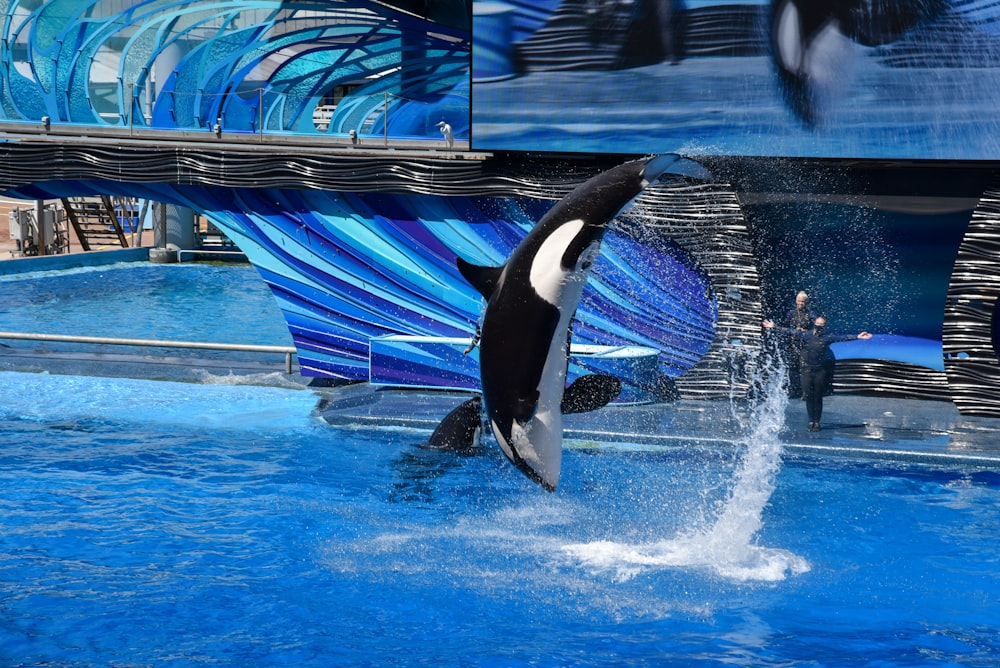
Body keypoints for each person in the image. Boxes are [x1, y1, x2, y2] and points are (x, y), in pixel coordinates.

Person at [762, 316, 871, 431]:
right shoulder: (807, 335)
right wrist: (774, 327)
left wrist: (858, 337)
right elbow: (790, 331)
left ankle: (817, 421)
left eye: (821, 325)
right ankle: (811, 420)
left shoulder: (827, 338)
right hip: (807, 370)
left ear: (825, 327)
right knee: (809, 396)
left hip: (819, 371)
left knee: (818, 396)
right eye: (817, 324)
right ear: (814, 324)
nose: (819, 327)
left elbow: (843, 337)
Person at [783, 291, 815, 398]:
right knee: (792, 367)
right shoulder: (791, 314)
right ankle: (792, 390)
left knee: (804, 369)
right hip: (792, 343)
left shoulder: (810, 314)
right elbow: (786, 327)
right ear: (796, 301)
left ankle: (805, 392)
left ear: (806, 302)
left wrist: (804, 332)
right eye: (799, 301)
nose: (800, 303)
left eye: (803, 301)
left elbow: (814, 330)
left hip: (804, 345)